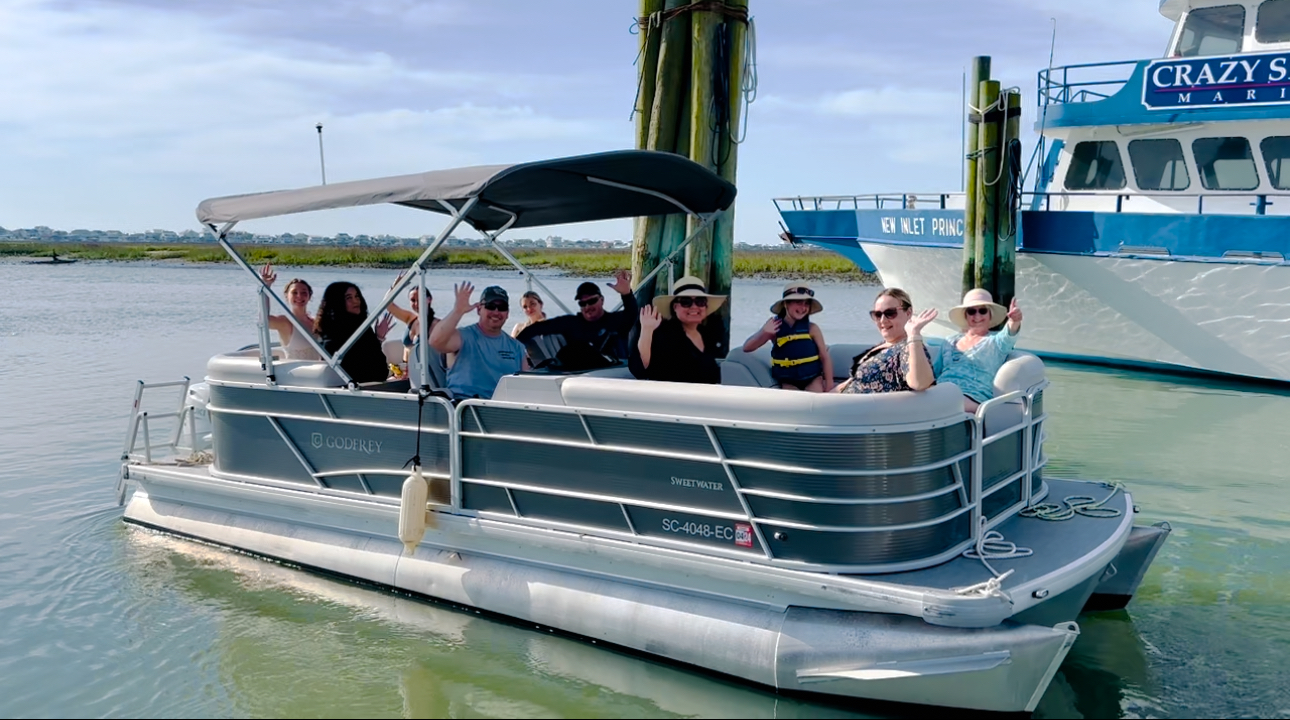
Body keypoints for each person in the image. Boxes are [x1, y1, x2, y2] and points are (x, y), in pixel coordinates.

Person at [517, 270, 638, 370]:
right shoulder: (571, 323)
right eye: (582, 303)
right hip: (580, 376)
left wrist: (626, 294)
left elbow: (631, 314)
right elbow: (535, 329)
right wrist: (512, 347)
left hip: (613, 371)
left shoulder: (614, 320)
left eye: (592, 301)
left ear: (602, 300)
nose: (587, 307)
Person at [430, 282, 528, 400]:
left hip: (503, 410)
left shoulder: (517, 347)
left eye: (502, 308)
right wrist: (458, 311)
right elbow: (435, 341)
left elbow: (527, 383)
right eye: (491, 306)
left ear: (507, 314)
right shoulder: (463, 337)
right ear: (479, 309)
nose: (496, 312)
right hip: (467, 408)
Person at [832, 288, 936, 394]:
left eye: (890, 313)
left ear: (908, 313)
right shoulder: (884, 346)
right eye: (877, 314)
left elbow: (920, 383)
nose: (882, 320)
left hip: (867, 409)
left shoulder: (908, 348)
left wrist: (914, 335)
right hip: (844, 403)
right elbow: (853, 382)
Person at [937, 288, 1023, 411]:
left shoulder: (996, 342)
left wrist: (1014, 320)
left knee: (943, 405)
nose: (977, 316)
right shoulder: (949, 341)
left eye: (982, 311)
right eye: (971, 311)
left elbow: (1009, 334)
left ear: (989, 315)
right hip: (941, 392)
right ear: (965, 316)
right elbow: (933, 373)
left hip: (973, 398)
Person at [629, 275, 726, 384]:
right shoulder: (665, 334)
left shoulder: (708, 335)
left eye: (700, 301)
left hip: (704, 398)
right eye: (686, 302)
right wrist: (647, 330)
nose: (694, 307)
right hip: (673, 398)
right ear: (675, 307)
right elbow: (640, 370)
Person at [741, 283, 833, 392]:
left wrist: (829, 384)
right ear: (786, 304)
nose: (803, 308)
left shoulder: (812, 328)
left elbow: (824, 357)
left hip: (812, 378)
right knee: (793, 399)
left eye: (807, 303)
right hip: (789, 381)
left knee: (815, 396)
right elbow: (747, 348)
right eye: (798, 302)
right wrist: (764, 332)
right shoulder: (775, 328)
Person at [315, 282, 395, 384]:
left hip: (370, 386)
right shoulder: (332, 336)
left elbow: (378, 365)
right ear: (337, 302)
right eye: (349, 298)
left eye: (357, 296)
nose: (356, 301)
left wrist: (378, 337)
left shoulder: (362, 328)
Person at [258, 262, 320, 361]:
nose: (299, 296)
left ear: (309, 296)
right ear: (287, 296)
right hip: (296, 374)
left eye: (304, 292)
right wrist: (266, 286)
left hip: (319, 373)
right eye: (294, 292)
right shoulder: (285, 322)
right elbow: (263, 321)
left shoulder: (316, 322)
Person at [387, 281, 440, 367]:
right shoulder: (410, 318)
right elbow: (388, 305)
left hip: (423, 372)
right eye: (413, 300)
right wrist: (396, 285)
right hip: (404, 370)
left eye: (420, 300)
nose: (416, 304)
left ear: (429, 299)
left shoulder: (436, 325)